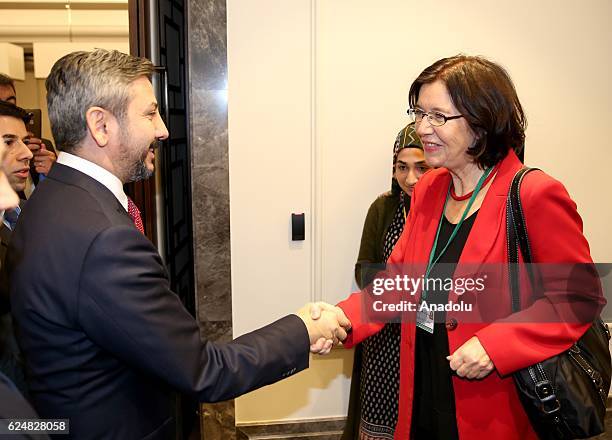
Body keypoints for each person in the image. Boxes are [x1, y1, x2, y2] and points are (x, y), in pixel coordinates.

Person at [3, 49, 349, 440]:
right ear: (100, 125)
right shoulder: (105, 240)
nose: (163, 129)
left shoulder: (46, 202)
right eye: (150, 114)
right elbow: (204, 370)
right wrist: (303, 327)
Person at [317, 55, 603, 439]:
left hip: (493, 403)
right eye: (419, 113)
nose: (422, 128)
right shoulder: (431, 190)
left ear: (481, 120)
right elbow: (401, 284)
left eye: (438, 116)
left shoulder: (534, 193)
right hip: (423, 384)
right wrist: (340, 320)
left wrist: (496, 344)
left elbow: (578, 296)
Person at [343, 123, 429, 439]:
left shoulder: (447, 210)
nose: (411, 178)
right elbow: (363, 270)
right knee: (380, 416)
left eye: (421, 167)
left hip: (425, 333)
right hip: (383, 333)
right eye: (401, 168)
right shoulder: (382, 208)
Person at [0, 73, 56, 191]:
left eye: (10, 104)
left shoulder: (42, 149)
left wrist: (56, 176)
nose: (27, 154)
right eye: (9, 142)